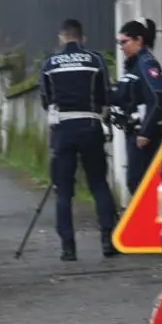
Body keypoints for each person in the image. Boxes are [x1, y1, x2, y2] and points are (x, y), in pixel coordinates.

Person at [40, 18, 118, 261]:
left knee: (63, 191)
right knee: (98, 184)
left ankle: (68, 247)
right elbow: (106, 94)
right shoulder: (95, 60)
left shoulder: (49, 64)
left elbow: (46, 99)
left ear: (62, 37)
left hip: (63, 129)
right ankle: (107, 239)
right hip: (90, 125)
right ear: (82, 37)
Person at [114, 18, 162, 195]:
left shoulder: (146, 63)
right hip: (134, 132)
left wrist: (146, 132)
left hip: (145, 136)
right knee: (136, 183)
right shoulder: (132, 66)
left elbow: (156, 99)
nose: (121, 47)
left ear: (138, 40)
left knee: (139, 183)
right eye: (119, 43)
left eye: (124, 42)